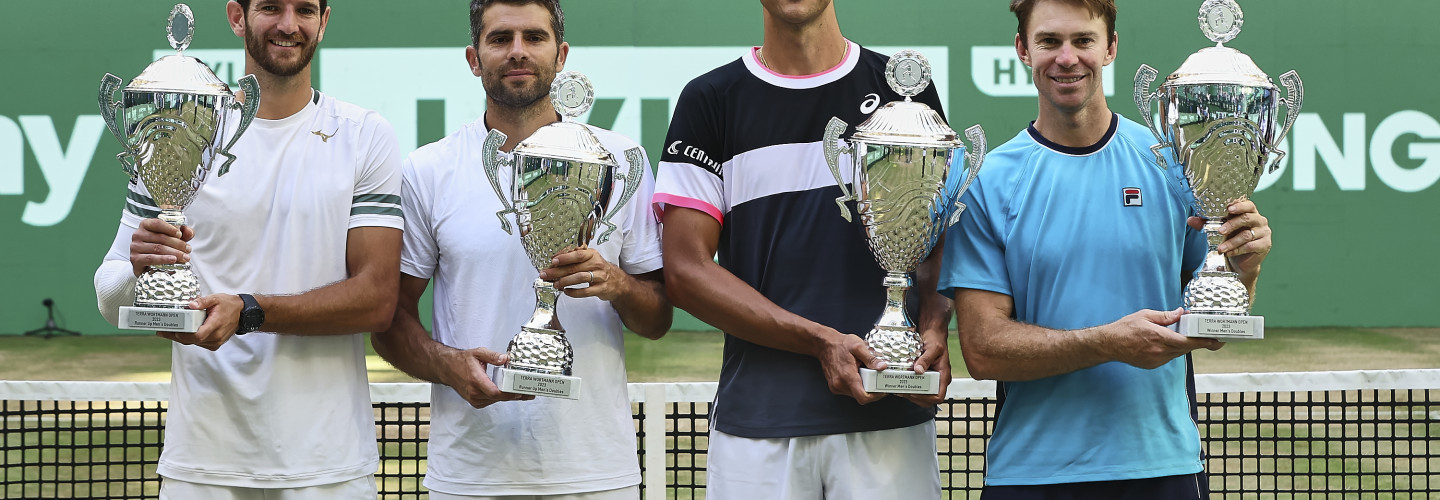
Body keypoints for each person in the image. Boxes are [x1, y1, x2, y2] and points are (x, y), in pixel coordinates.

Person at [938, 0, 1274, 498]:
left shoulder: (1173, 166)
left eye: (1083, 40)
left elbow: (1211, 329)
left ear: (1110, 48)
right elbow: (983, 351)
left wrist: (1244, 270)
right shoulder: (989, 181)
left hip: (1162, 467)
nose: (1066, 58)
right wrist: (1106, 342)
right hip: (1031, 474)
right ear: (1022, 50)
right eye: (1049, 41)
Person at [92, 0, 402, 498]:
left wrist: (249, 311)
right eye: (270, 8)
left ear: (324, 21)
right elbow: (110, 300)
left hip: (329, 467)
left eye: (304, 9)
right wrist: (138, 270)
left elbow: (378, 299)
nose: (288, 24)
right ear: (238, 17)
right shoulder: (179, 128)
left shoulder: (364, 135)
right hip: (203, 467)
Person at [369, 1, 672, 499]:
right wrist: (447, 364)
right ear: (473, 58)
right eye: (500, 39)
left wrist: (617, 285)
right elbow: (390, 321)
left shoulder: (620, 159)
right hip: (470, 475)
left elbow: (656, 318)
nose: (517, 52)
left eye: (534, 37)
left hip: (595, 474)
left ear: (561, 54)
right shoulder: (428, 171)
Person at [653, 1, 954, 498]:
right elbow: (686, 271)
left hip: (888, 416)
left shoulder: (904, 88)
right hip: (758, 424)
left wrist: (934, 326)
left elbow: (934, 234)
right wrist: (820, 340)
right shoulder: (710, 98)